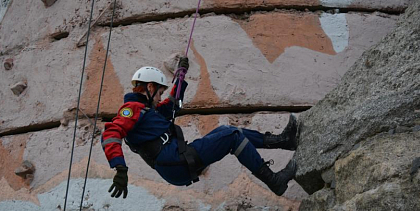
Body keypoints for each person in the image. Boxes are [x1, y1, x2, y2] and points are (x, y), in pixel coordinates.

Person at [101, 57, 297, 199]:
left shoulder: (147, 111)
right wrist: (120, 168)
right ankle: (275, 181)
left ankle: (282, 141)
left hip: (177, 161)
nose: (160, 97)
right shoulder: (132, 109)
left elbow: (171, 104)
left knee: (226, 131)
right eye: (159, 92)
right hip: (176, 164)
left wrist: (181, 74)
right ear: (150, 88)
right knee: (231, 136)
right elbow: (111, 133)